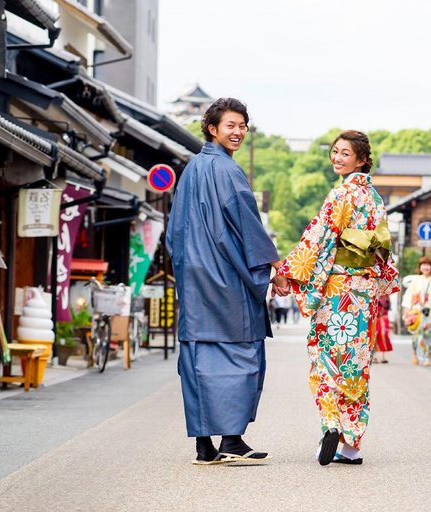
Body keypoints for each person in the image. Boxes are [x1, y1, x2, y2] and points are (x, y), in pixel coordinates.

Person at [167, 98, 289, 466]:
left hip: (194, 280)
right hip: (225, 278)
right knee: (244, 352)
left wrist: (187, 269)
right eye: (230, 125)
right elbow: (247, 224)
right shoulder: (227, 171)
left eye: (242, 126)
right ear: (212, 128)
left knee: (198, 358)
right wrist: (275, 264)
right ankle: (232, 439)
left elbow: (175, 231)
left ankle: (205, 446)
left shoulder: (191, 170)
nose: (237, 132)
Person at [273, 130, 399, 466]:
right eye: (335, 152)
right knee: (356, 363)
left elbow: (319, 238)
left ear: (361, 160)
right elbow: (383, 247)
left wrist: (286, 270)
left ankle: (331, 424)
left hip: (337, 290)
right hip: (364, 291)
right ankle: (352, 446)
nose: (337, 158)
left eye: (345, 154)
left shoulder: (341, 194)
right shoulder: (375, 198)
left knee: (326, 357)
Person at [402, 256, 431, 367]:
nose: (426, 267)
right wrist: (407, 309)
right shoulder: (416, 280)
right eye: (423, 265)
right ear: (420, 267)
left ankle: (428, 357)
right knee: (416, 335)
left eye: (428, 265)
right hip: (417, 311)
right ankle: (415, 354)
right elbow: (409, 295)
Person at [373, 295, 393, 363]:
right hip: (375, 319)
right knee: (374, 336)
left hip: (383, 318)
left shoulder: (386, 297)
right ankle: (374, 356)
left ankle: (382, 356)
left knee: (383, 336)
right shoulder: (373, 294)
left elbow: (387, 308)